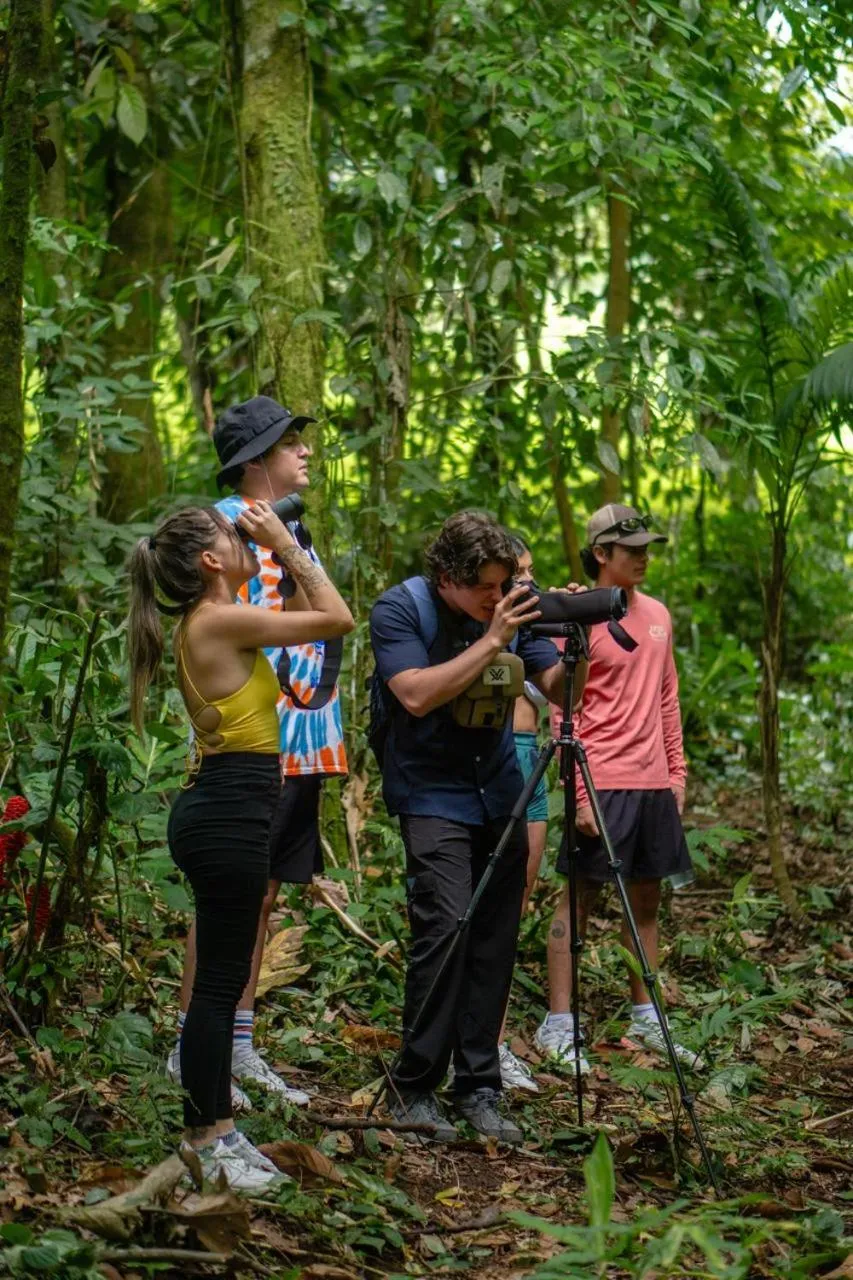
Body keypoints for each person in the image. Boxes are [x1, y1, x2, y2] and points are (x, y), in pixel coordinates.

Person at [128, 501, 353, 1189]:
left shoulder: (216, 619)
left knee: (222, 985)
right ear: (209, 560)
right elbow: (337, 617)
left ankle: (218, 1130)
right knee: (219, 989)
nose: (243, 537)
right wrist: (284, 541)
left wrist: (270, 547)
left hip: (229, 809)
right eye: (232, 535)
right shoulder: (218, 620)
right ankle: (209, 1135)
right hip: (226, 814)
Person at [369, 511, 585, 1144]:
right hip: (430, 792)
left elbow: (560, 690)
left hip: (498, 793)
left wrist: (577, 643)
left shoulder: (513, 610)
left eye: (504, 585)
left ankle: (479, 1086)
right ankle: (412, 1089)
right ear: (447, 579)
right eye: (486, 588)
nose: (499, 598)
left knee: (494, 933)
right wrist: (492, 640)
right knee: (445, 928)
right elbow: (412, 693)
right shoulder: (401, 610)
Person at [167, 396, 349, 1109]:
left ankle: (236, 1043)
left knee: (263, 896)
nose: (302, 452)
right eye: (289, 443)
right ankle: (194, 1045)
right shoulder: (228, 531)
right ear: (254, 464)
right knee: (230, 901)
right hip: (251, 746)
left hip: (298, 739)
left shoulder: (280, 524)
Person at [533, 503, 703, 1073]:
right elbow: (563, 711)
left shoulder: (657, 614)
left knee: (647, 901)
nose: (644, 559)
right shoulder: (575, 616)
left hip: (651, 782)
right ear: (601, 554)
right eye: (631, 551)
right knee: (579, 899)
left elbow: (666, 698)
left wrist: (675, 774)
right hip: (600, 777)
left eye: (647, 549)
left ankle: (646, 1019)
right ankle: (558, 1023)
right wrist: (577, 794)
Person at [493, 534, 549, 1093]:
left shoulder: (534, 627)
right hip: (495, 757)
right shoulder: (478, 624)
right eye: (518, 576)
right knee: (478, 904)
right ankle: (465, 1041)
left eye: (533, 573)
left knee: (517, 902)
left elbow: (565, 690)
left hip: (535, 759)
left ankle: (493, 1037)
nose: (529, 584)